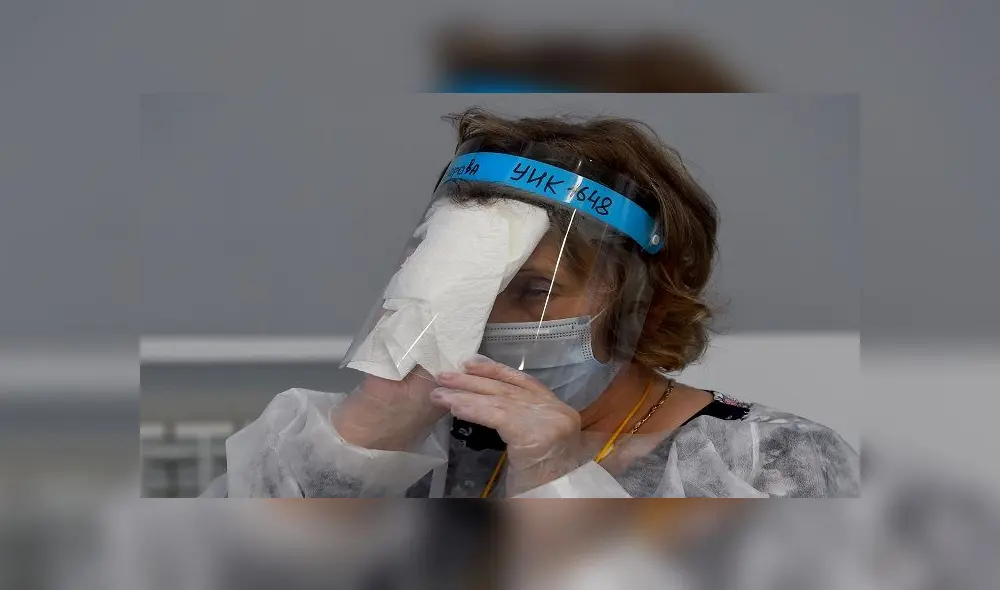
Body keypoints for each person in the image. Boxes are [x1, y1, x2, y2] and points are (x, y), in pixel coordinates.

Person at [202, 108, 860, 498]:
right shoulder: (413, 459)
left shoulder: (770, 461)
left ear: (646, 303)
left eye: (533, 292)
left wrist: (556, 478)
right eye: (467, 291)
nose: (483, 324)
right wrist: (361, 437)